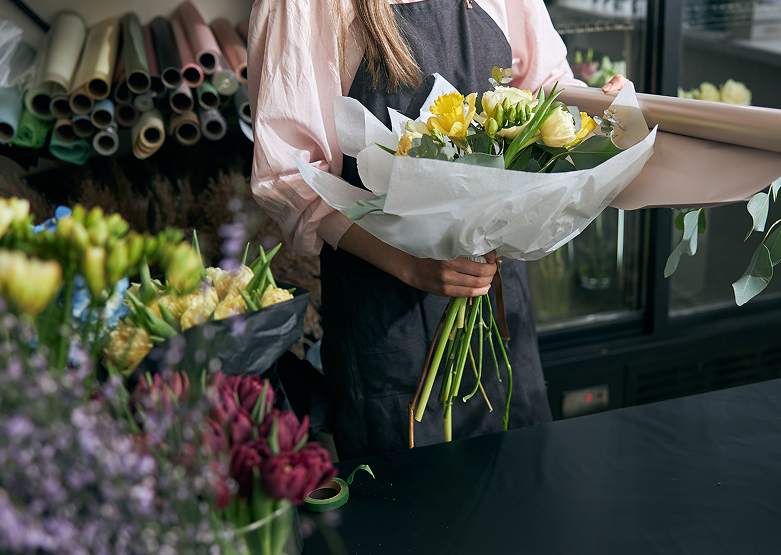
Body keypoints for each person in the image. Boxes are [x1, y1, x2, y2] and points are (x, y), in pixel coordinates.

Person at [247, 0, 625, 459]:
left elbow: (547, 88)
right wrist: (409, 264)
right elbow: (289, 178)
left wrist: (602, 109)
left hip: (496, 298)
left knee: (518, 492)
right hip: (387, 316)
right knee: (411, 515)